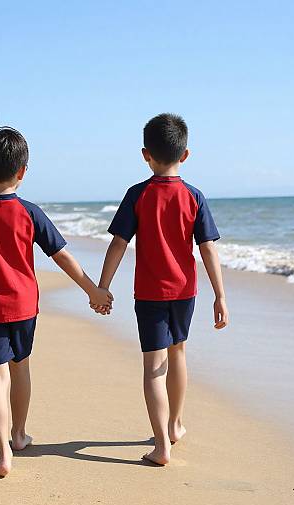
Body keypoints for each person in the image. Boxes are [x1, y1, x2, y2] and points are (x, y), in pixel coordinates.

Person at [0, 126, 112, 477]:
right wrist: (92, 290)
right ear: (22, 171)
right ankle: (18, 435)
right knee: (20, 368)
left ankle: (2, 453)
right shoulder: (30, 212)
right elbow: (61, 255)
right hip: (23, 307)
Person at [94, 113, 229, 466]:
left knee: (154, 365)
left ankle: (161, 447)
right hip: (186, 292)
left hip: (151, 294)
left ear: (145, 154)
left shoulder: (137, 194)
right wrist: (220, 295)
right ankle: (175, 425)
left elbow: (119, 244)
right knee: (178, 353)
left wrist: (103, 287)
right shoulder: (194, 196)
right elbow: (208, 248)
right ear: (185, 155)